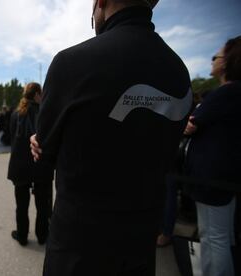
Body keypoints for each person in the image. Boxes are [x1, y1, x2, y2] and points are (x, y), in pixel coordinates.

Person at [30, 0, 193, 275]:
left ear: (100, 3)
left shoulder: (72, 62)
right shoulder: (179, 72)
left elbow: (43, 158)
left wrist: (41, 144)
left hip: (78, 248)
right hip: (139, 244)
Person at [183, 36, 241, 276]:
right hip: (226, 176)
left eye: (215, 56)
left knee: (213, 238)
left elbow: (190, 125)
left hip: (211, 178)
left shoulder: (225, 93)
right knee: (223, 236)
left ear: (228, 62)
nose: (212, 60)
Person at [7, 83, 54, 246]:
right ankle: (42, 235)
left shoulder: (15, 114)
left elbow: (12, 140)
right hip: (40, 164)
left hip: (20, 166)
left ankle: (22, 236)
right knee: (42, 205)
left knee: (21, 205)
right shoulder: (44, 113)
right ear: (36, 95)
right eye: (41, 94)